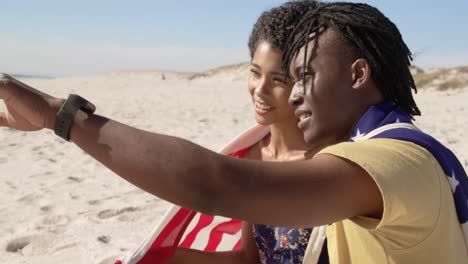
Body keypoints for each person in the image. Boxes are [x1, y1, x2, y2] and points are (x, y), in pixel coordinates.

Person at [1, 2, 467, 263]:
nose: (294, 95)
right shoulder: (370, 152)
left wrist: (57, 115)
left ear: (357, 74)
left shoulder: (398, 160)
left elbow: (214, 183)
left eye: (301, 77)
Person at [165, 1, 327, 264]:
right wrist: (167, 258)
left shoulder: (329, 162)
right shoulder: (250, 155)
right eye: (255, 72)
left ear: (304, 83)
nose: (260, 89)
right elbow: (248, 259)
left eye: (278, 80)